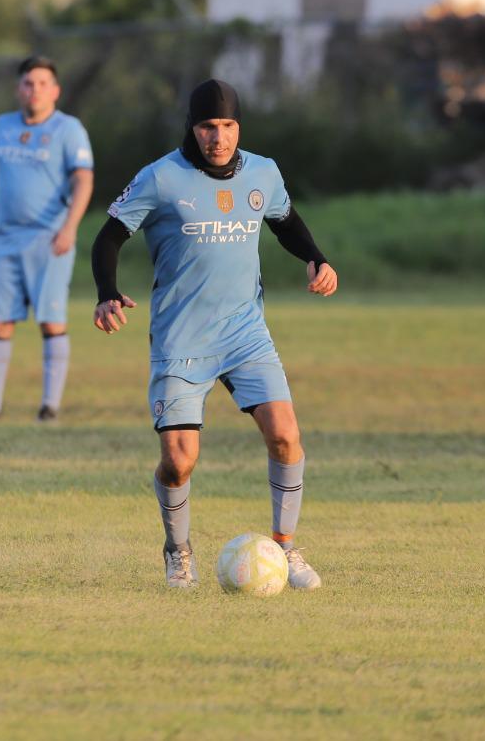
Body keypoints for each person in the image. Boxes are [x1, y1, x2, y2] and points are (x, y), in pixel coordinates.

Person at [90, 79, 338, 590]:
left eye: (226, 126)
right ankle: (177, 549)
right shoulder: (160, 178)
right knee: (179, 461)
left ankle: (287, 549)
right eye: (207, 126)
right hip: (182, 339)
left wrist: (317, 258)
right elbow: (110, 235)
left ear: (238, 126)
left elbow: (286, 222)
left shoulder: (264, 173)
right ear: (193, 127)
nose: (217, 137)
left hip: (246, 333)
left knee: (286, 435)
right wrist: (107, 291)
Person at [0, 56, 95, 423]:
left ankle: (49, 407)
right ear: (18, 89)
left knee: (51, 319)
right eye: (29, 83)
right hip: (5, 237)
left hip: (50, 237)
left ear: (55, 90)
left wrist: (70, 226)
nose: (35, 90)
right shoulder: (2, 127)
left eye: (43, 83)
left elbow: (83, 180)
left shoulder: (69, 129)